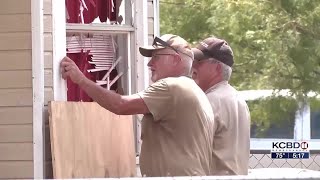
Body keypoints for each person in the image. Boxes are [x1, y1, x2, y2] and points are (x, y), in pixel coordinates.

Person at [60, 34, 215, 177]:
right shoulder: (196, 91)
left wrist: (81, 80)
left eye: (156, 57)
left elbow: (120, 105)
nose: (149, 63)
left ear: (175, 59)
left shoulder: (171, 86)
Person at [191, 37, 251, 175]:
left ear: (217, 67)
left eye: (199, 61)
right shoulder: (238, 99)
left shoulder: (209, 101)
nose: (193, 66)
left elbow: (190, 150)